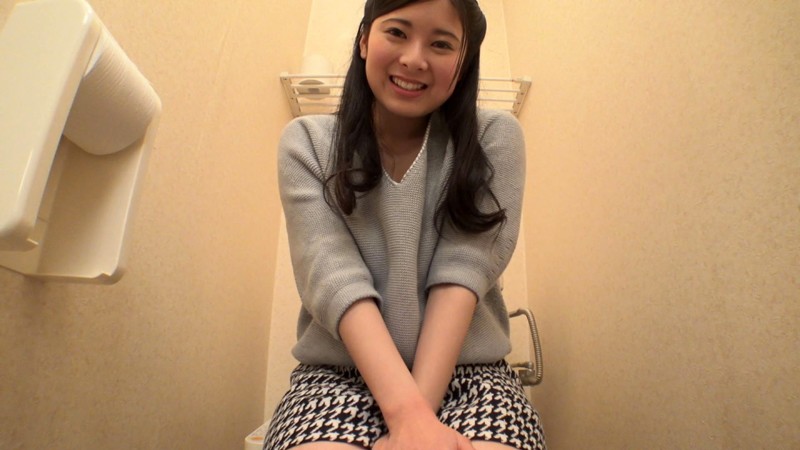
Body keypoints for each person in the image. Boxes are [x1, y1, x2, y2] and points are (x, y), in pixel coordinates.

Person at [264, 0, 546, 449]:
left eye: (441, 44)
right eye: (397, 32)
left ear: (463, 62)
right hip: (337, 378)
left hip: (472, 377)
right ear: (364, 40)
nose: (414, 59)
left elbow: (463, 270)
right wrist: (408, 417)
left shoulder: (495, 136)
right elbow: (332, 276)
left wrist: (415, 423)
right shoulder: (308, 143)